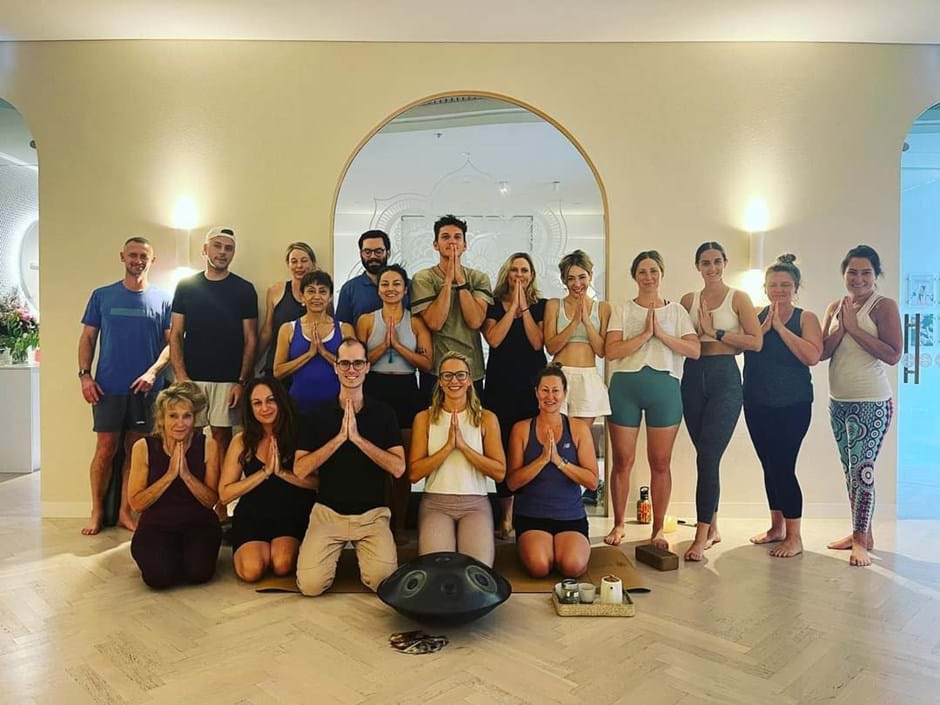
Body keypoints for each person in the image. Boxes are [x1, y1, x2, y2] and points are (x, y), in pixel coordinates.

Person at [293, 338, 405, 596]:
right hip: (327, 513)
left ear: (367, 367)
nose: (351, 369)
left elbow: (398, 468)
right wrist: (339, 439)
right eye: (344, 363)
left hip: (372, 515)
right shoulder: (317, 415)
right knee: (310, 586)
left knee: (384, 583)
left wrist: (357, 439)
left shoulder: (383, 413)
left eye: (357, 363)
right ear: (336, 367)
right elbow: (300, 469)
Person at [603, 251, 700, 548]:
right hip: (625, 388)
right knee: (622, 460)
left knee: (660, 462)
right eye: (642, 271)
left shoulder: (676, 313)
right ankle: (618, 524)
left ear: (661, 274)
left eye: (653, 270)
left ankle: (657, 529)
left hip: (665, 390)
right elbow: (612, 351)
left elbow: (693, 350)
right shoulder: (622, 310)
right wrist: (645, 335)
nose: (648, 276)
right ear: (635, 276)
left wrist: (661, 333)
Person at [78, 236, 172, 535]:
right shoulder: (102, 296)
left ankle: (124, 511)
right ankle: (95, 511)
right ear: (122, 257)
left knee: (136, 451)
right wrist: (84, 375)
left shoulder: (163, 298)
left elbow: (171, 346)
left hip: (146, 391)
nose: (138, 260)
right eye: (132, 255)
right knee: (105, 450)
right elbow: (88, 338)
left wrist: (154, 372)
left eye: (143, 256)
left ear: (152, 260)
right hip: (107, 388)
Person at [680, 242, 763, 561]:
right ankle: (712, 527)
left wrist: (713, 331)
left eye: (716, 261)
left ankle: (700, 537)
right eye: (705, 262)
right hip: (692, 376)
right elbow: (681, 339)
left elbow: (755, 342)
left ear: (725, 263)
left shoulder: (738, 298)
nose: (711, 267)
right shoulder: (688, 300)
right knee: (705, 455)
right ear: (697, 266)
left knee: (709, 457)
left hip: (725, 377)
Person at [170, 226, 258, 521]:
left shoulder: (244, 289)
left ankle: (219, 507)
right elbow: (176, 334)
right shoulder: (185, 286)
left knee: (221, 439)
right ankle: (191, 501)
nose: (222, 253)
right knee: (188, 438)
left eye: (228, 248)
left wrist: (242, 381)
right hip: (191, 380)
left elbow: (251, 339)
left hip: (228, 380)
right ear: (204, 250)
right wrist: (182, 377)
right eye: (217, 246)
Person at [821, 245, 901, 567]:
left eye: (866, 272)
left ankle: (859, 541)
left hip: (871, 401)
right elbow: (823, 352)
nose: (858, 278)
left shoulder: (884, 307)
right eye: (852, 272)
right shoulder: (835, 307)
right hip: (838, 402)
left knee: (862, 471)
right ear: (844, 273)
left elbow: (893, 354)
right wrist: (842, 327)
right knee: (849, 470)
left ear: (876, 275)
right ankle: (863, 533)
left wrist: (855, 328)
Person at [743, 255, 822, 558]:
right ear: (765, 288)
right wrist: (764, 328)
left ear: (796, 287)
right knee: (768, 465)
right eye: (774, 285)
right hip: (756, 402)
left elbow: (812, 356)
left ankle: (795, 536)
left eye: (785, 285)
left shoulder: (805, 318)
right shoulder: (753, 315)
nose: (779, 289)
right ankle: (776, 527)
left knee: (783, 466)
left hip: (793, 405)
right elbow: (741, 346)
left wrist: (780, 327)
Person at [355, 264, 432, 542]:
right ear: (378, 289)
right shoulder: (366, 320)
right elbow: (357, 362)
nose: (390, 289)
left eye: (396, 284)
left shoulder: (416, 322)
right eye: (385, 284)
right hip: (374, 388)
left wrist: (398, 346)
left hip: (405, 391)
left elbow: (427, 362)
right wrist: (382, 345)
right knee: (372, 461)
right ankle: (374, 525)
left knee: (401, 464)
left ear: (405, 289)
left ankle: (399, 524)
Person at [408, 352, 506, 567]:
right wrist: (447, 448)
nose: (454, 381)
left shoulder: (486, 418)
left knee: (477, 571)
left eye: (460, 375)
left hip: (475, 504)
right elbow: (414, 474)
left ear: (470, 380)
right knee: (437, 569)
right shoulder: (424, 418)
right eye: (448, 376)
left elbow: (499, 472)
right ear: (440, 382)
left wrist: (462, 446)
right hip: (436, 503)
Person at [219, 377, 317, 582]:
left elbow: (317, 483)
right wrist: (264, 473)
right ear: (250, 408)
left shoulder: (300, 433)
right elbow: (225, 493)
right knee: (251, 571)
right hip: (253, 512)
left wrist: (282, 473)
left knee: (282, 564)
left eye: (270, 400)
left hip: (292, 511)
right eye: (257, 403)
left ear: (280, 401)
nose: (265, 408)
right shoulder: (242, 440)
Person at [127, 383, 222, 589]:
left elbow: (211, 501)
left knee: (199, 573)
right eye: (173, 416)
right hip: (157, 525)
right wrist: (170, 475)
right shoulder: (143, 447)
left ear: (194, 418)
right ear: (161, 418)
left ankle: (181, 556)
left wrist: (186, 475)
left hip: (199, 523)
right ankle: (167, 556)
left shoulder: (208, 445)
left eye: (186, 416)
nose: (180, 423)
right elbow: (136, 503)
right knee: (159, 579)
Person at [507, 366, 598, 578]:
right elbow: (511, 483)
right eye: (545, 390)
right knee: (540, 566)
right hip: (531, 515)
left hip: (570, 516)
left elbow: (592, 482)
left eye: (555, 391)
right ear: (536, 393)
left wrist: (559, 462)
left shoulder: (578, 429)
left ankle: (561, 549)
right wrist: (541, 460)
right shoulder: (521, 429)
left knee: (573, 566)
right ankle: (544, 548)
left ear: (564, 394)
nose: (550, 396)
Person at [482, 252, 547, 539]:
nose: (519, 275)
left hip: (531, 386)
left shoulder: (543, 307)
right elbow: (494, 339)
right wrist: (512, 310)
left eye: (525, 270)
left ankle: (527, 514)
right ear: (507, 275)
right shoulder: (493, 305)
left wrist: (526, 309)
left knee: (529, 448)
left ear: (532, 275)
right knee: (504, 449)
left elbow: (537, 342)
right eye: (514, 270)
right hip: (500, 386)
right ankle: (505, 518)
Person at [543, 250, 611, 502]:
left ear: (590, 276)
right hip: (559, 376)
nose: (577, 284)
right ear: (564, 280)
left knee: (579, 440)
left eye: (582, 277)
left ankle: (583, 490)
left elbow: (602, 350)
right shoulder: (554, 305)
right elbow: (550, 345)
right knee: (556, 435)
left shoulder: (603, 308)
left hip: (587, 378)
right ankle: (554, 491)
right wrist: (573, 322)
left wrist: (586, 320)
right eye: (571, 278)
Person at [410, 215, 493, 398]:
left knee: (471, 425)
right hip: (436, 371)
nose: (452, 242)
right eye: (445, 237)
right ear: (435, 244)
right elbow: (435, 322)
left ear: (465, 244)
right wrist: (448, 279)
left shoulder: (479, 278)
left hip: (472, 370)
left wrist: (461, 281)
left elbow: (475, 321)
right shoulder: (423, 278)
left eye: (457, 237)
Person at [273, 271, 355, 415]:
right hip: (298, 406)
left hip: (336, 406)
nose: (316, 297)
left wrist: (324, 352)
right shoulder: (288, 328)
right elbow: (278, 372)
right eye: (311, 291)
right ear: (302, 296)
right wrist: (309, 355)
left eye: (322, 291)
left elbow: (353, 369)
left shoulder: (345, 328)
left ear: (329, 297)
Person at [258, 242, 317, 376]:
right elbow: (267, 331)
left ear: (312, 263)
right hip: (277, 367)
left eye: (304, 261)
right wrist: (253, 364)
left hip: (308, 366)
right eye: (294, 261)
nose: (299, 266)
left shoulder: (321, 296)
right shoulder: (275, 291)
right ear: (288, 264)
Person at [336, 229, 408, 326]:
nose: (373, 256)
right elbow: (343, 326)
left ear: (388, 253)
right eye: (367, 252)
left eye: (378, 251)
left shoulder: (408, 285)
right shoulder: (349, 289)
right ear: (361, 254)